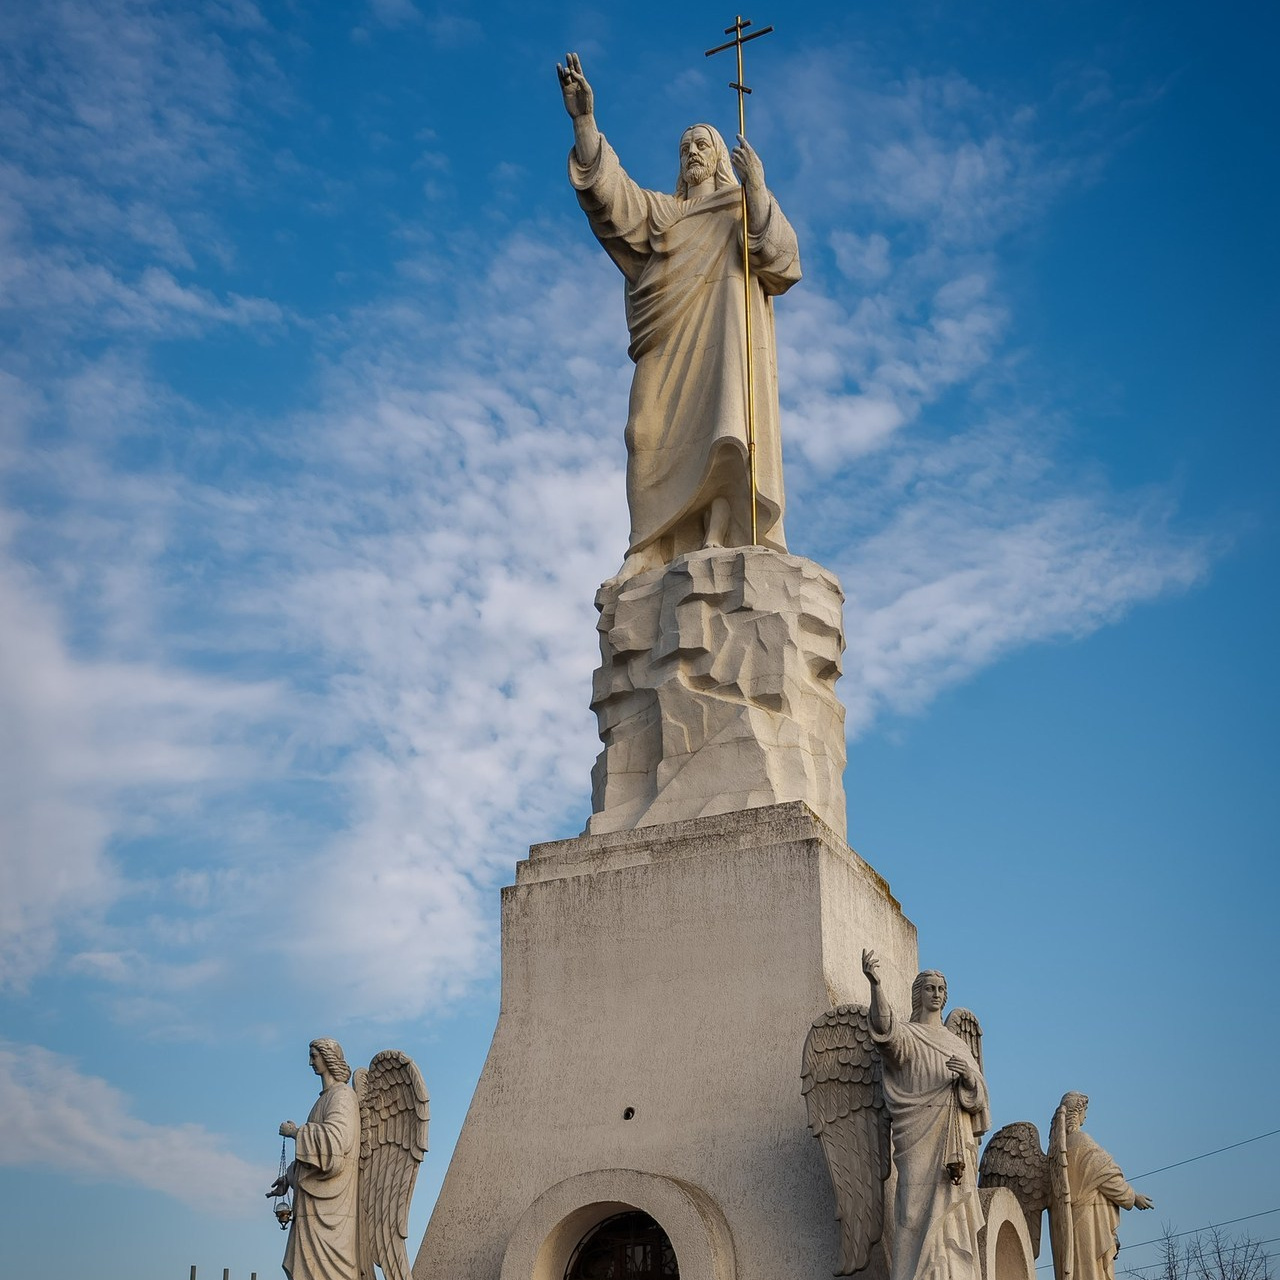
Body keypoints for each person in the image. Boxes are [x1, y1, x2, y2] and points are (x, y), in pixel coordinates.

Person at [557, 52, 802, 580]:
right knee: (644, 432)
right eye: (685, 146)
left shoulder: (737, 208)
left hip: (723, 340)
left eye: (702, 145)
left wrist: (755, 187)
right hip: (668, 343)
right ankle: (647, 545)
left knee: (726, 422)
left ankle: (720, 529)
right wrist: (584, 123)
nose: (691, 152)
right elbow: (613, 202)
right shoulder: (666, 215)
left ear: (718, 158)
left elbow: (782, 258)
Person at [862, 950, 990, 1280]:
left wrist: (969, 1078)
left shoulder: (957, 1044)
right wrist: (876, 985)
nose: (936, 994)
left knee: (952, 1216)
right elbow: (885, 1034)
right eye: (930, 988)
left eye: (941, 989)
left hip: (954, 1143)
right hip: (917, 1134)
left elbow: (981, 1102)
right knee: (910, 1212)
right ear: (919, 994)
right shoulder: (909, 1034)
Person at [267, 1038, 361, 1280]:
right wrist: (289, 1178)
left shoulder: (343, 1096)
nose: (310, 1062)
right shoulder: (323, 1099)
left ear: (328, 1058)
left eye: (314, 1055)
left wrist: (297, 1132)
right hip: (312, 1206)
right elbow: (315, 1158)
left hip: (331, 1212)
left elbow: (338, 1146)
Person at [1055, 1091, 1153, 1280]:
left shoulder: (1060, 1147)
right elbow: (1107, 1175)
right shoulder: (1081, 1142)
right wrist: (1133, 1197)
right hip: (1088, 1220)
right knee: (1092, 1272)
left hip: (1070, 1225)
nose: (1087, 1116)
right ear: (1078, 1111)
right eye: (1085, 1110)